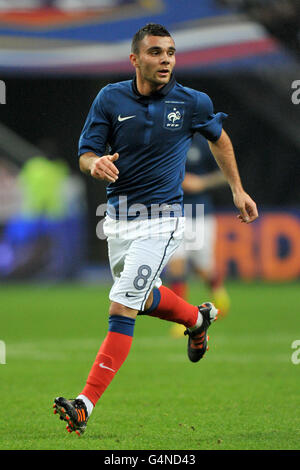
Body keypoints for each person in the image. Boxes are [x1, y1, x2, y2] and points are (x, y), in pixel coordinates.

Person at [53, 23, 258, 436]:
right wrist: (93, 164)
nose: (165, 60)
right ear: (135, 59)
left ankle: (85, 404)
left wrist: (237, 189)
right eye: (155, 52)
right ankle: (197, 320)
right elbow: (85, 153)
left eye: (170, 52)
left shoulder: (193, 102)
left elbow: (220, 139)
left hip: (164, 221)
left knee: (122, 308)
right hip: (118, 220)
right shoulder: (110, 98)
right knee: (143, 298)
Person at [167, 133, 230, 338]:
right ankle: (181, 318)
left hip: (200, 213)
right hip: (171, 212)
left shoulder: (204, 143)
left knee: (203, 268)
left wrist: (201, 182)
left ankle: (218, 290)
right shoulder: (166, 140)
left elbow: (224, 173)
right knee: (176, 262)